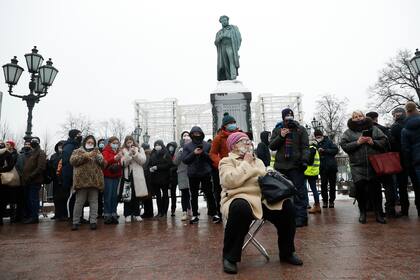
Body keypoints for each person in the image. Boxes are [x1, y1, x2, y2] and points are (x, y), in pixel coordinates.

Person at [220, 132, 302, 274]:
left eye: (248, 140)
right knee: (240, 208)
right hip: (238, 197)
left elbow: (264, 177)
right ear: (233, 146)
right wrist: (245, 164)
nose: (248, 143)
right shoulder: (227, 162)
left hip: (262, 199)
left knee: (287, 207)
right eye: (243, 141)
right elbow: (229, 181)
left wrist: (266, 172)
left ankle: (287, 252)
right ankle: (230, 257)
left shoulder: (257, 161)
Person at [340, 111, 387, 224]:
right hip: (357, 166)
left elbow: (384, 141)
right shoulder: (348, 132)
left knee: (376, 190)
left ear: (364, 117)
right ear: (352, 119)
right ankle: (362, 213)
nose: (358, 118)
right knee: (360, 191)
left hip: (373, 165)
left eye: (360, 116)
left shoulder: (374, 129)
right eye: (355, 117)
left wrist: (373, 142)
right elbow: (344, 146)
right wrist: (357, 142)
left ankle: (379, 214)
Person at [269, 108, 310, 227]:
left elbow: (305, 147)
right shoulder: (278, 130)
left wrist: (305, 160)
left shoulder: (300, 129)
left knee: (299, 193)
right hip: (281, 167)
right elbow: (272, 146)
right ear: (283, 119)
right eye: (287, 118)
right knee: (282, 194)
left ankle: (301, 218)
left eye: (291, 118)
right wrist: (281, 136)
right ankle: (284, 217)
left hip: (296, 166)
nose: (289, 120)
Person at [182, 126, 220, 224]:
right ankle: (195, 214)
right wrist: (193, 153)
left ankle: (214, 213)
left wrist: (203, 153)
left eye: (198, 134)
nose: (196, 135)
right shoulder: (187, 146)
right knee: (193, 195)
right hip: (193, 174)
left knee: (209, 194)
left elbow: (211, 158)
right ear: (191, 135)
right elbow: (185, 160)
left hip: (205, 173)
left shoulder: (207, 145)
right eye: (194, 134)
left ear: (202, 134)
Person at [70, 135, 105, 230]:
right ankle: (75, 222)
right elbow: (72, 161)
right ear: (85, 142)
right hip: (82, 182)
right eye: (89, 142)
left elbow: (104, 164)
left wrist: (100, 158)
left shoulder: (97, 152)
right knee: (79, 202)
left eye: (92, 143)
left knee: (94, 202)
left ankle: (93, 221)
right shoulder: (77, 151)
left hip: (94, 182)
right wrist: (85, 156)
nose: (90, 144)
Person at [210, 112, 241, 218]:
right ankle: (220, 212)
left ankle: (238, 210)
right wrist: (221, 163)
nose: (232, 124)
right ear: (225, 126)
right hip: (224, 169)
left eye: (234, 122)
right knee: (221, 191)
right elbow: (213, 153)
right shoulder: (219, 138)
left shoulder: (240, 135)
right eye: (230, 123)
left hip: (239, 167)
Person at [365, 111, 396, 217]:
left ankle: (374, 208)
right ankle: (390, 209)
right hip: (383, 160)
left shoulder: (363, 130)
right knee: (388, 185)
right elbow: (391, 142)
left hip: (370, 161)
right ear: (376, 118)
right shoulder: (383, 129)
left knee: (374, 186)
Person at [121, 136, 147, 223]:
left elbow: (143, 161)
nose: (130, 143)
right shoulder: (123, 150)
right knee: (127, 195)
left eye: (131, 141)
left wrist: (135, 154)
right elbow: (123, 163)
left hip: (137, 175)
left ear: (134, 142)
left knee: (136, 195)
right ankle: (127, 214)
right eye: (128, 142)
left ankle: (137, 214)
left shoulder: (140, 149)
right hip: (127, 175)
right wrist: (129, 154)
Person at [21, 137, 47, 224]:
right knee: (29, 199)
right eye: (32, 141)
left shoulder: (41, 153)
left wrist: (31, 176)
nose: (32, 143)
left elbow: (40, 167)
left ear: (38, 142)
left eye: (35, 141)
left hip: (34, 180)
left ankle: (34, 217)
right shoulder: (32, 153)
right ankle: (30, 215)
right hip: (28, 180)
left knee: (33, 199)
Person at [401, 102, 420, 216]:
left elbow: (406, 149)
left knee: (417, 187)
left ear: (406, 111)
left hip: (416, 162)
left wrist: (408, 164)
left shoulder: (405, 129)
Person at [314, 130, 339, 209]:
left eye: (319, 137)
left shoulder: (329, 141)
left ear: (322, 136)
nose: (318, 138)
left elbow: (336, 150)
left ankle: (331, 201)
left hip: (331, 167)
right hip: (322, 168)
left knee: (332, 185)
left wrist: (325, 150)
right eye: (316, 137)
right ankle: (325, 201)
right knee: (323, 185)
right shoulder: (315, 144)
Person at [62, 129, 82, 220]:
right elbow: (67, 163)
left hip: (77, 176)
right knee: (72, 197)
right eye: (79, 134)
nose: (80, 136)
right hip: (72, 176)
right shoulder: (69, 146)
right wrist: (70, 177)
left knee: (78, 198)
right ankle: (72, 217)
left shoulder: (76, 145)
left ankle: (77, 216)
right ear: (74, 135)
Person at [102, 136, 123, 224]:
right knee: (108, 196)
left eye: (117, 143)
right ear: (110, 143)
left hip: (116, 176)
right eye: (114, 143)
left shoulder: (119, 151)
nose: (115, 144)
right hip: (108, 176)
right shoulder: (105, 151)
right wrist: (114, 158)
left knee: (115, 196)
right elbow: (105, 162)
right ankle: (107, 214)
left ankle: (114, 213)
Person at [148, 140, 172, 218]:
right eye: (156, 145)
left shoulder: (166, 153)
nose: (157, 146)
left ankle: (164, 212)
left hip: (164, 178)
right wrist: (150, 168)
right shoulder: (152, 153)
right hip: (155, 178)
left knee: (165, 195)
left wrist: (157, 167)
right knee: (158, 196)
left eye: (159, 144)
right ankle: (159, 212)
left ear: (162, 145)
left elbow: (169, 164)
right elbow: (149, 164)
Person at [215, 15, 242, 81]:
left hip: (230, 45)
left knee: (231, 60)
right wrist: (220, 37)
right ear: (221, 22)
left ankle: (233, 76)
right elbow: (216, 42)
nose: (224, 22)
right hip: (222, 47)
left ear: (227, 20)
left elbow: (239, 38)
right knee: (225, 62)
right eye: (222, 21)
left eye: (225, 20)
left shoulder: (233, 28)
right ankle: (228, 77)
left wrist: (236, 48)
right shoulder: (219, 32)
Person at [173, 131, 192, 221]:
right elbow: (175, 162)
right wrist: (180, 152)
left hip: (192, 172)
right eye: (184, 135)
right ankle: (184, 212)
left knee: (192, 192)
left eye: (188, 135)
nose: (186, 137)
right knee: (184, 193)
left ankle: (192, 210)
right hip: (182, 173)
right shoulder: (178, 148)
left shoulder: (193, 146)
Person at [0, 140, 17, 225]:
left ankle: (11, 218)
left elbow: (10, 166)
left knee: (5, 200)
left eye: (6, 144)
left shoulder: (8, 154)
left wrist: (1, 170)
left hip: (5, 180)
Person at [50, 140, 67, 221]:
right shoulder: (53, 156)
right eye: (59, 145)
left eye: (62, 146)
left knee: (63, 198)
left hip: (64, 179)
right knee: (56, 198)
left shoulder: (66, 155)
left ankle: (64, 214)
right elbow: (51, 166)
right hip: (55, 180)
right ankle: (57, 214)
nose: (60, 147)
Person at [305, 140, 321, 214]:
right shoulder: (315, 149)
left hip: (309, 171)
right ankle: (317, 206)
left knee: (309, 189)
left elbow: (310, 161)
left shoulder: (311, 148)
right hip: (313, 172)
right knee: (314, 189)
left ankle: (316, 206)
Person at [141, 143, 154, 218]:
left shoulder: (146, 155)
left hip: (146, 177)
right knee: (148, 196)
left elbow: (144, 166)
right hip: (149, 177)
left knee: (147, 196)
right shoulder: (150, 154)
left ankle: (148, 212)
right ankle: (148, 212)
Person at [166, 141, 178, 216]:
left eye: (172, 146)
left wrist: (172, 169)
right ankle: (165, 209)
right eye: (169, 146)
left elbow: (177, 164)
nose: (171, 148)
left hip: (174, 177)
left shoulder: (176, 155)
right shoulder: (166, 154)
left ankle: (173, 209)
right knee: (165, 194)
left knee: (173, 194)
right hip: (166, 177)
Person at [97, 138, 106, 218]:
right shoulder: (97, 152)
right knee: (98, 196)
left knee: (105, 195)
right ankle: (98, 212)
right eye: (100, 143)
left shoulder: (105, 152)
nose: (102, 144)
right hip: (98, 177)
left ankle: (104, 211)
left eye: (103, 143)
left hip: (105, 176)